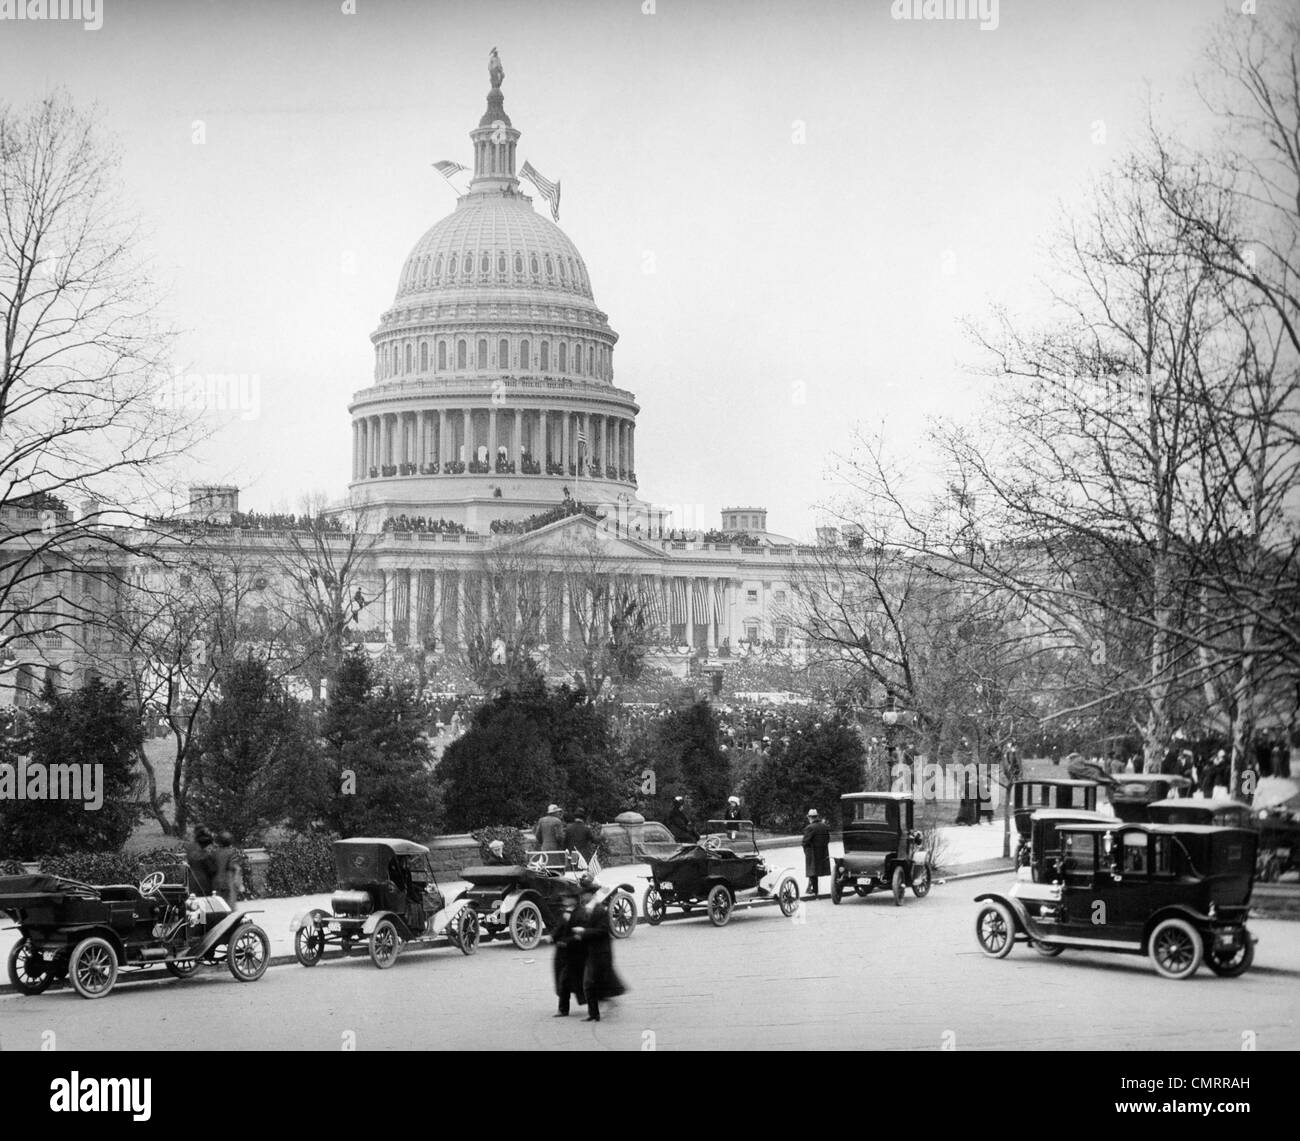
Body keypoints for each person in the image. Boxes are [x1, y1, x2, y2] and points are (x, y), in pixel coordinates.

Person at [569, 876, 627, 1022]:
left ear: (590, 895)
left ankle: (596, 1012)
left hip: (601, 952)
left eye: (584, 894)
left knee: (591, 983)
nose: (582, 897)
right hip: (591, 952)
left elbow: (602, 931)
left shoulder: (600, 910)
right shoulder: (585, 910)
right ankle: (594, 1013)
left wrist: (583, 932)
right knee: (591, 983)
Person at [550, 892, 587, 1017]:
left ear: (574, 900)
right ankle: (563, 1009)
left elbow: (580, 934)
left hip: (574, 952)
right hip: (562, 952)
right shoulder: (566, 912)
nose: (565, 899)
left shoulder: (581, 913)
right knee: (562, 980)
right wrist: (553, 937)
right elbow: (559, 927)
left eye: (568, 897)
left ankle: (563, 1009)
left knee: (565, 980)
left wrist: (566, 942)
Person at [802, 809, 831, 900]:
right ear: (817, 817)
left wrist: (806, 851)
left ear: (810, 817)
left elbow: (805, 842)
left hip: (813, 853)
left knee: (813, 872)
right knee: (815, 872)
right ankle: (810, 889)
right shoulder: (824, 826)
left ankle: (815, 893)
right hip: (822, 853)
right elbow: (828, 839)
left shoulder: (810, 827)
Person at [211, 831, 241, 908]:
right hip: (227, 882)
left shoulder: (214, 853)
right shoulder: (232, 853)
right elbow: (234, 867)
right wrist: (238, 883)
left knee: (218, 906)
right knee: (229, 906)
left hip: (216, 883)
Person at [184, 828, 217, 896]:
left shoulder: (192, 855)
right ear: (208, 845)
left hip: (192, 883)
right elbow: (212, 870)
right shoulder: (207, 856)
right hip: (205, 885)